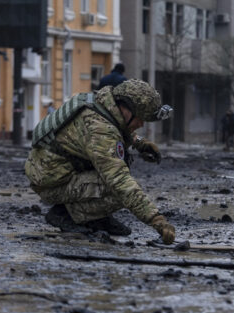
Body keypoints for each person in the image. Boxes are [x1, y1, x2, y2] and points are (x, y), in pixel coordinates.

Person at [25, 79, 176, 243]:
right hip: (53, 184)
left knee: (116, 175)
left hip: (54, 172)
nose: (141, 124)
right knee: (117, 190)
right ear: (126, 108)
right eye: (139, 118)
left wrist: (140, 142)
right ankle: (66, 214)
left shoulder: (101, 103)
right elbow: (120, 181)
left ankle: (96, 217)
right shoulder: (99, 129)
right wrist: (157, 220)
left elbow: (117, 126)